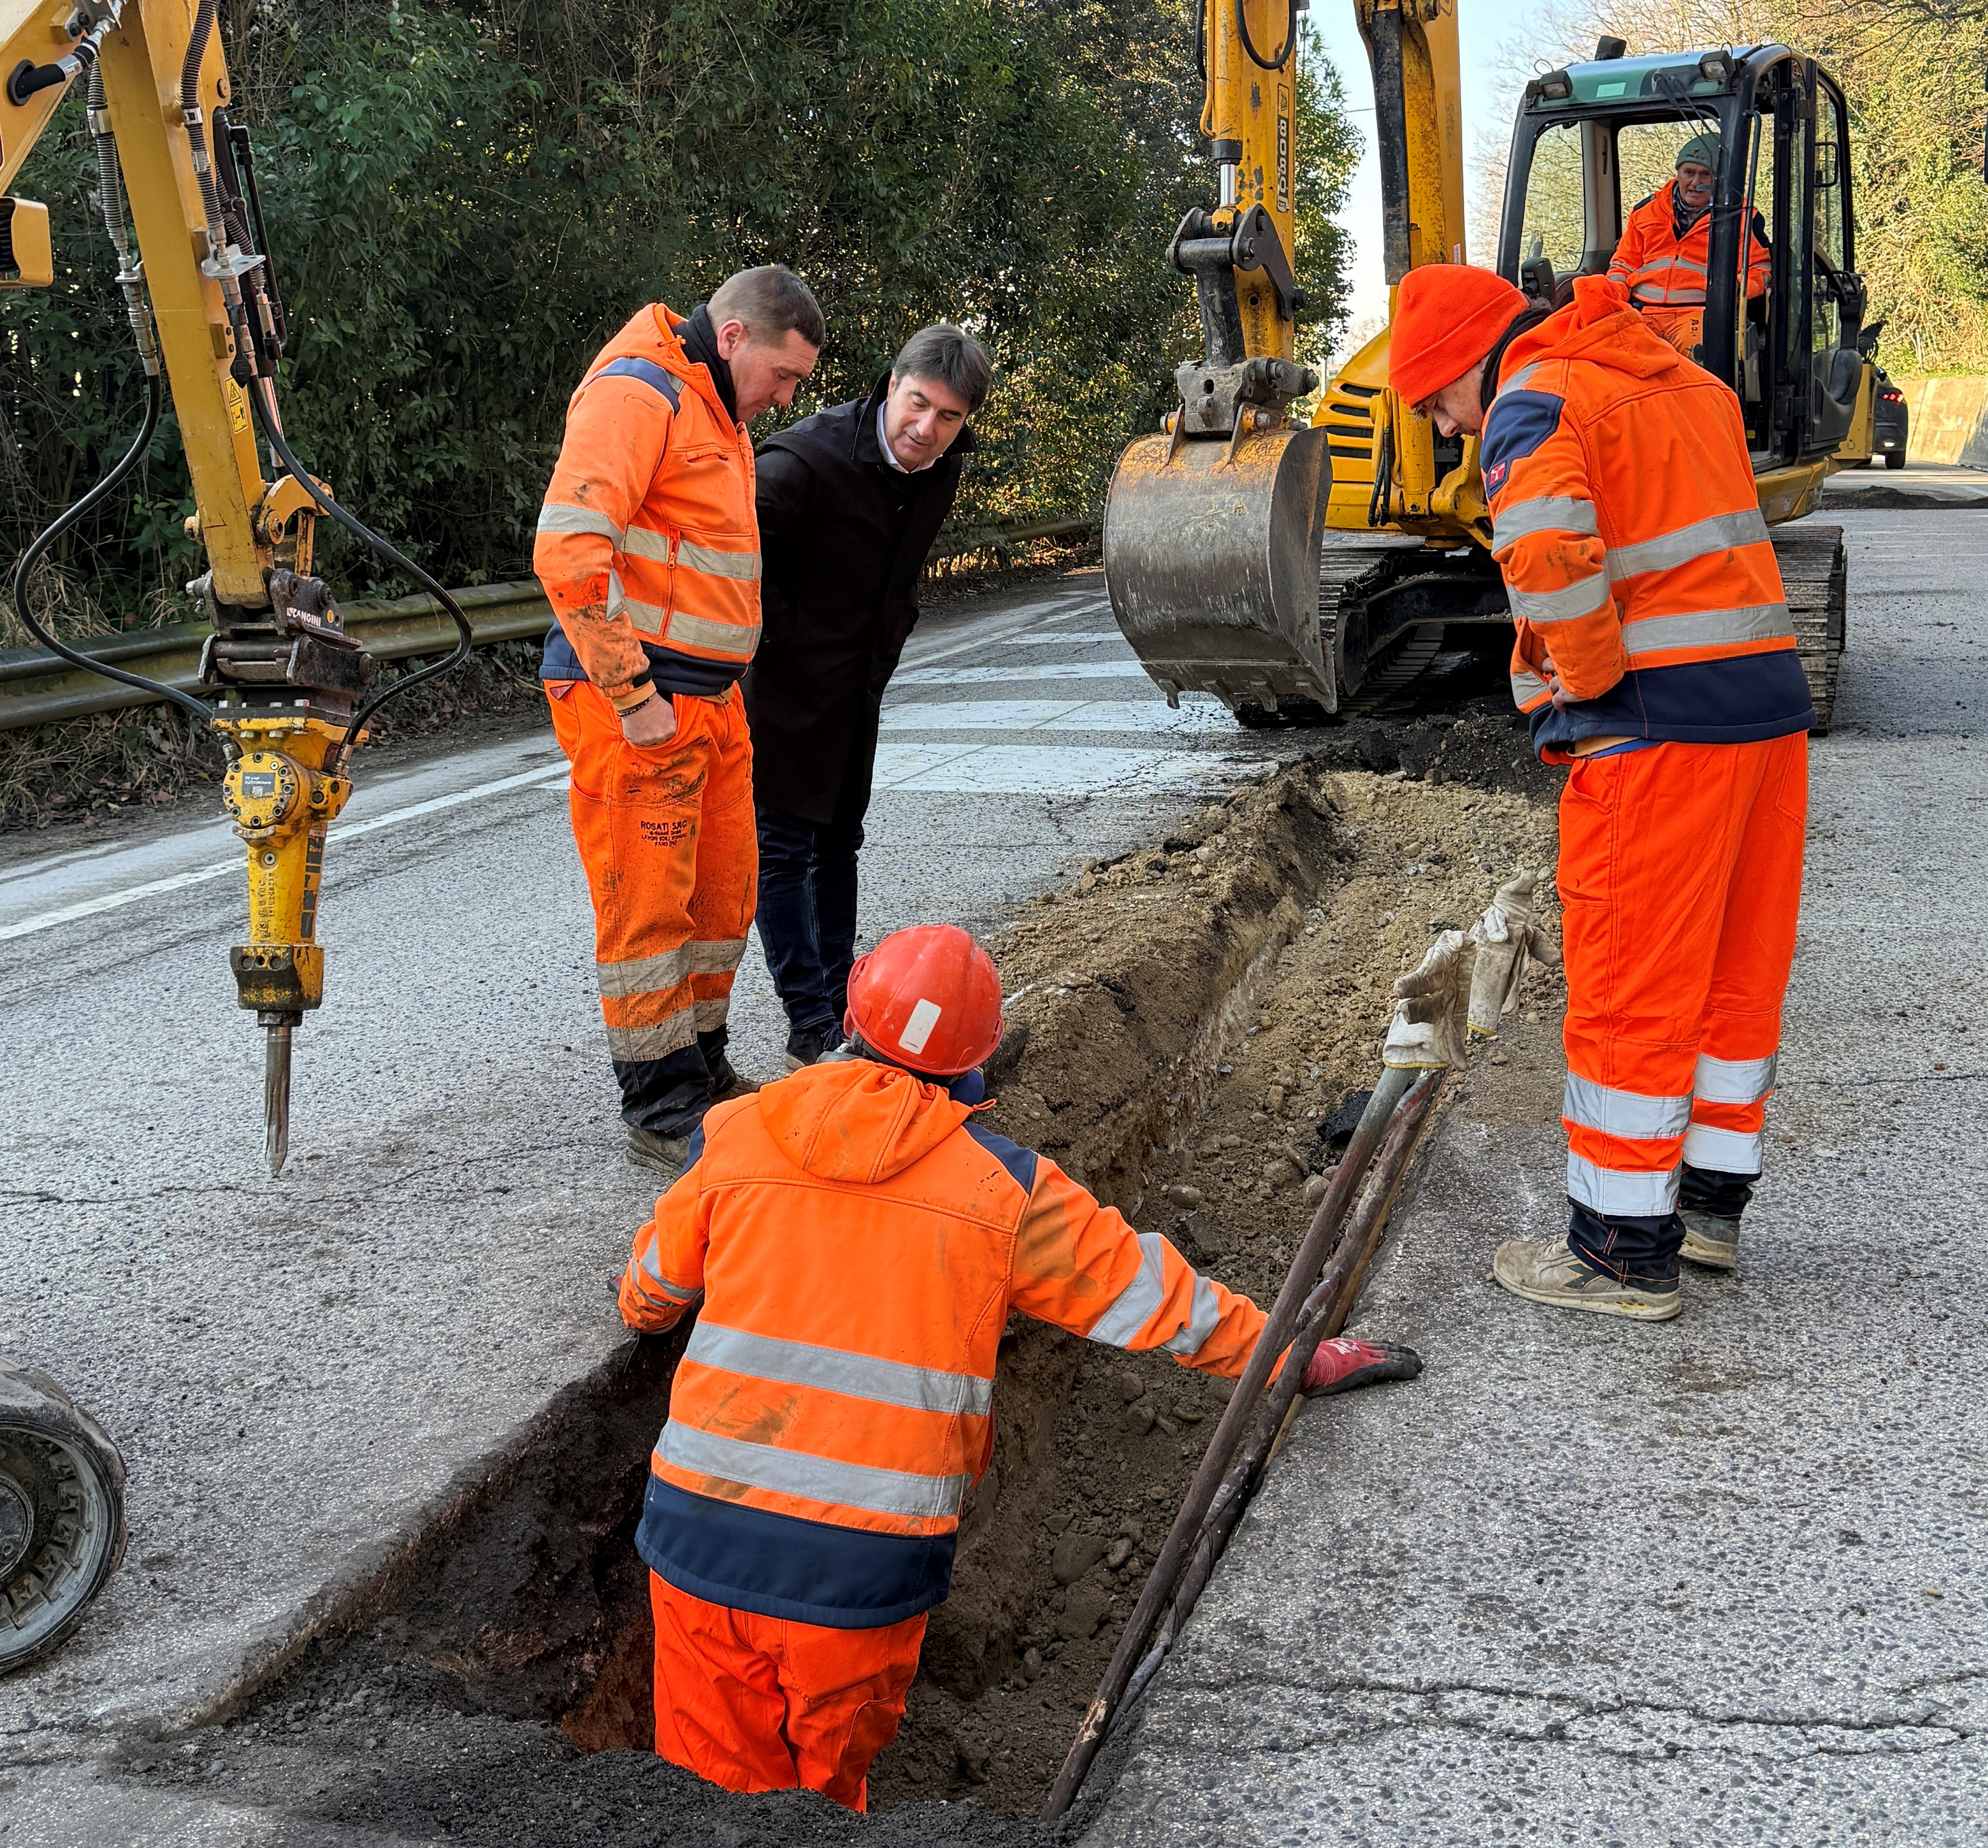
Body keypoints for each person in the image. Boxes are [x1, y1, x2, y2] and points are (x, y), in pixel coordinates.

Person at [616, 924, 1422, 1808]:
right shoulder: (1003, 1188)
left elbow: (653, 1285)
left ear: (849, 1020)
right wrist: (1291, 1359)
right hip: (858, 1567)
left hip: (698, 1529)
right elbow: (1156, 1300)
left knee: (703, 1788)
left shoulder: (735, 1135)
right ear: (977, 1064)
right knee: (818, 1796)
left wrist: (645, 1311)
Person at [1387, 263, 1813, 1322]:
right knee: (1732, 973)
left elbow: (1549, 560)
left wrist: (1581, 690)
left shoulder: (1534, 399)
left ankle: (1620, 1251)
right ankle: (1709, 1210)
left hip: (1654, 733)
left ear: (1473, 361)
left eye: (1438, 398)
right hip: (1764, 717)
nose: (1445, 426)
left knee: (1630, 985)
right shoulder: (1686, 382)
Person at [534, 266, 824, 1168]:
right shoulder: (641, 392)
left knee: (718, 898)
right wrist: (632, 695)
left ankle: (700, 1070)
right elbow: (568, 547)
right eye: (784, 376)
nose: (785, 399)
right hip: (640, 707)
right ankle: (659, 1107)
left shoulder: (715, 407)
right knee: (647, 914)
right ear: (734, 337)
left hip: (705, 703)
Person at [747, 324, 990, 1069]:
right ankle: (809, 1025)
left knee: (839, 844)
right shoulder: (800, 463)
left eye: (949, 418)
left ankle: (847, 1007)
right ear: (892, 383)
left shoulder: (941, 469)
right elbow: (732, 560)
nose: (927, 429)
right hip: (780, 690)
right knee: (784, 853)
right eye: (918, 404)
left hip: (857, 690)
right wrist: (787, 642)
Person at [1605, 133, 1769, 357]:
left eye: (1705, 175)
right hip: (1643, 312)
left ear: (1719, 178)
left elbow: (1761, 269)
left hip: (1700, 314)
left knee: (1698, 359)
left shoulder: (1742, 217)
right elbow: (1623, 264)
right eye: (1689, 173)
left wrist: (1729, 292)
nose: (1695, 183)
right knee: (1614, 357)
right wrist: (1612, 295)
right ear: (1678, 174)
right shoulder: (1645, 211)